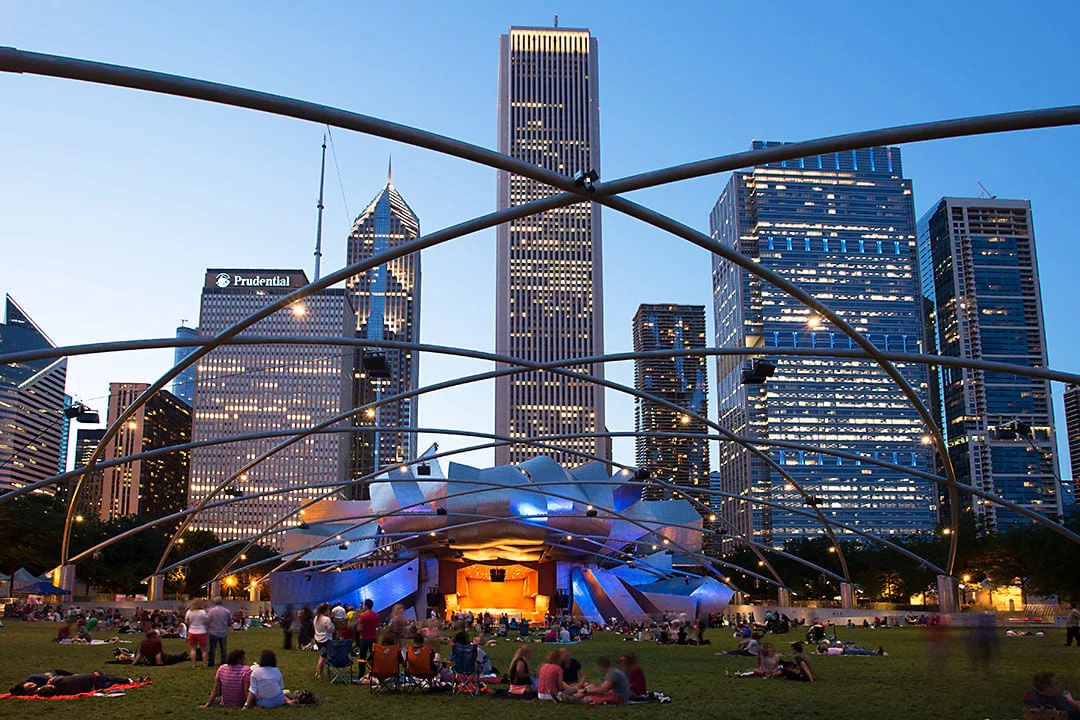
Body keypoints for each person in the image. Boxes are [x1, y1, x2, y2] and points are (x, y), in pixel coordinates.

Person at [9, 671, 137, 697]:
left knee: (108, 681)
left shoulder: (34, 678)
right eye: (30, 687)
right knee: (107, 679)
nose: (33, 685)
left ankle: (128, 680)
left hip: (91, 683)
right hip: (92, 680)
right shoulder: (57, 683)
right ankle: (128, 681)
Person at [206, 597, 232, 668]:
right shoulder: (226, 611)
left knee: (212, 648)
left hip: (213, 631)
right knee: (223, 648)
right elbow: (230, 621)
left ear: (214, 603)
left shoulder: (211, 611)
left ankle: (211, 661)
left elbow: (208, 620)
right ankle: (223, 661)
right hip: (223, 632)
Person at [313, 602, 335, 679]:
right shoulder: (327, 619)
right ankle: (318, 673)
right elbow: (330, 630)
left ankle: (324, 671)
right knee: (322, 657)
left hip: (318, 638)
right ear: (325, 610)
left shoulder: (316, 618)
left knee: (323, 656)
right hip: (325, 640)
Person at [186, 599, 210, 668]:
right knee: (204, 650)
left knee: (193, 649)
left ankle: (193, 664)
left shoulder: (189, 612)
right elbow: (206, 621)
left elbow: (187, 621)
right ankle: (205, 664)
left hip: (192, 631)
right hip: (201, 631)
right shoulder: (202, 612)